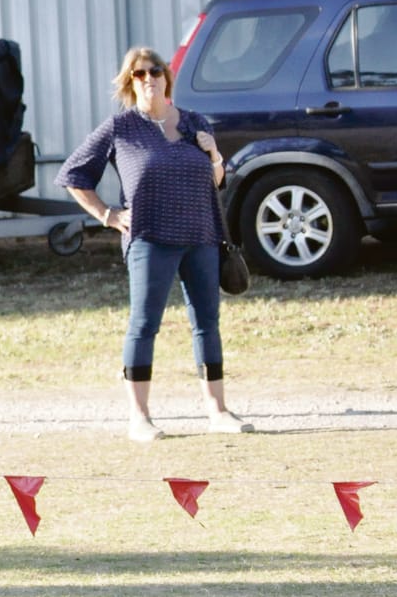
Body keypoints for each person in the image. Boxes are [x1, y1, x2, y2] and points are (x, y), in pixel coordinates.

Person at [56, 47, 253, 442]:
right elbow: (73, 174)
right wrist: (108, 216)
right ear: (130, 83)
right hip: (150, 238)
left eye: (155, 71)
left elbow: (216, 180)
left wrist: (214, 154)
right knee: (144, 325)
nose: (149, 79)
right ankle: (140, 417)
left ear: (167, 77)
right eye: (139, 74)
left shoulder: (195, 123)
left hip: (201, 236)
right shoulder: (121, 128)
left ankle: (218, 411)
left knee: (207, 324)